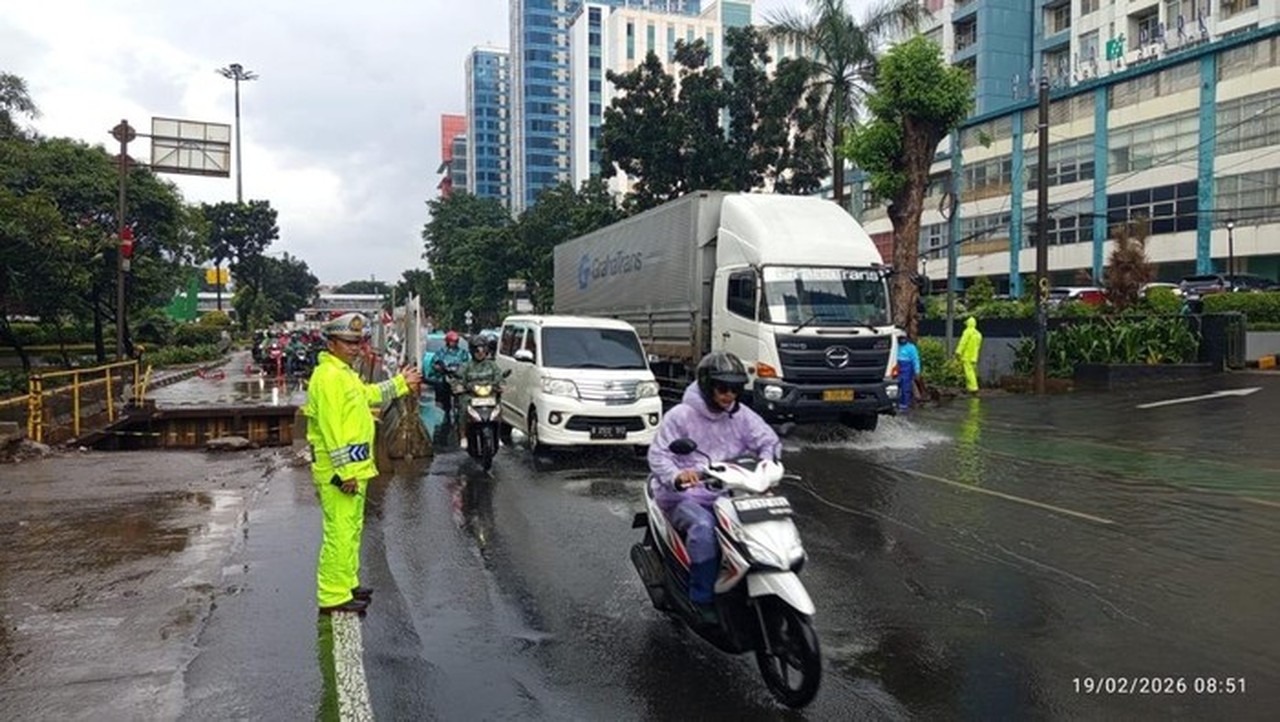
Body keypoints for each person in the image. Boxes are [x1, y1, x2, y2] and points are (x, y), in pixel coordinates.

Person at [648, 352, 781, 624]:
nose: (729, 395)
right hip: (686, 496)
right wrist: (678, 475)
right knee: (704, 528)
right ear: (708, 386)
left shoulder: (742, 416)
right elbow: (659, 455)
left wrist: (768, 463)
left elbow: (767, 440)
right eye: (722, 388)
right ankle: (701, 597)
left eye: (734, 389)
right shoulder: (681, 416)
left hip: (731, 490)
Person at [304, 312, 423, 615]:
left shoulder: (343, 373)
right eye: (348, 342)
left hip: (353, 469)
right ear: (331, 343)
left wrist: (399, 384)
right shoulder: (330, 377)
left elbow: (367, 394)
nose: (355, 347)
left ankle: (346, 584)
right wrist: (344, 472)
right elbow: (333, 431)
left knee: (351, 529)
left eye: (358, 341)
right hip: (339, 471)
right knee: (339, 533)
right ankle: (333, 596)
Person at [453, 333, 505, 451]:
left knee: (499, 407)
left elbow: (499, 378)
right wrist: (458, 387)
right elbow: (457, 379)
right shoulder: (466, 366)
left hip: (489, 394)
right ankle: (463, 436)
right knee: (462, 407)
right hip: (471, 396)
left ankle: (498, 436)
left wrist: (501, 385)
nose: (480, 353)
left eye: (482, 349)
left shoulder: (492, 366)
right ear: (472, 351)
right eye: (477, 350)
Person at [428, 331, 470, 424]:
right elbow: (434, 363)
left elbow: (467, 363)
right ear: (447, 342)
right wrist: (439, 367)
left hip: (458, 378)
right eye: (452, 341)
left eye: (455, 342)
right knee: (439, 387)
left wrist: (462, 369)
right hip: (444, 377)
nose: (453, 343)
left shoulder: (462, 352)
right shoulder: (441, 352)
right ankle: (442, 408)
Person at [955, 315, 983, 394]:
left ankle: (973, 388)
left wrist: (958, 352)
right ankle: (970, 387)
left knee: (968, 372)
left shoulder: (967, 332)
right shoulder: (978, 334)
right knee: (972, 372)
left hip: (967, 355)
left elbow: (963, 342)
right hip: (974, 356)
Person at [897, 332, 921, 411]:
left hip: (907, 367)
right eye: (900, 338)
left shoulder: (911, 347)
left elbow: (915, 360)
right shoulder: (896, 346)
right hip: (897, 366)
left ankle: (905, 404)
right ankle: (897, 403)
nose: (902, 340)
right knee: (896, 386)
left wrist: (917, 371)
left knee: (905, 387)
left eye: (904, 338)